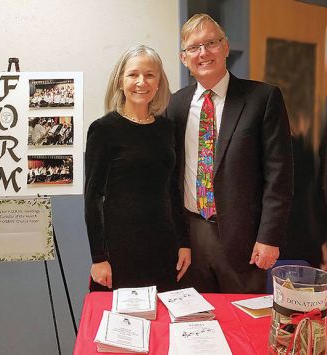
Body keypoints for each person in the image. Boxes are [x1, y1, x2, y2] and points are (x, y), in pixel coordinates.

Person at [166, 14, 294, 293]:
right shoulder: (175, 104)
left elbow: (279, 176)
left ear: (225, 47)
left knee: (243, 326)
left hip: (244, 242)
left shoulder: (263, 98)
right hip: (190, 238)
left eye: (211, 42)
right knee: (196, 324)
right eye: (194, 48)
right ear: (184, 59)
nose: (203, 53)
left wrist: (269, 237)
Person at [84, 45, 191, 292]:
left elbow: (172, 191)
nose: (141, 82)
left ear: (158, 83)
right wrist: (99, 258)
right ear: (120, 81)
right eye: (133, 74)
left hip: (164, 247)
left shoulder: (166, 128)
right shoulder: (103, 130)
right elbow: (93, 198)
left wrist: (183, 242)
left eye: (150, 75)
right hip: (120, 249)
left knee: (163, 323)